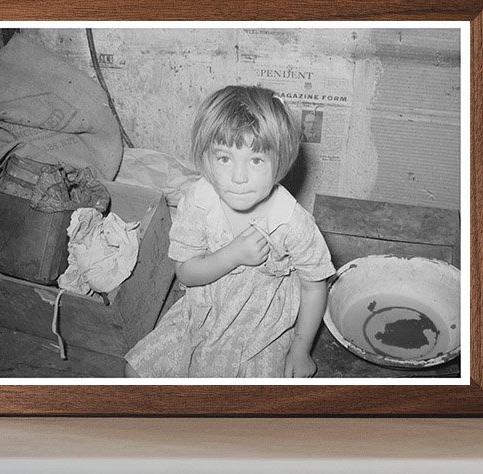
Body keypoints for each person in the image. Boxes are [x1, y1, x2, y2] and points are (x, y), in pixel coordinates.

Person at [125, 85, 335, 379]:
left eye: (256, 160)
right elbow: (185, 273)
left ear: (281, 161)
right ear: (206, 158)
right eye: (224, 158)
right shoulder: (199, 202)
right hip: (201, 315)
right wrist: (232, 255)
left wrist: (301, 350)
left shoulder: (292, 222)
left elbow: (314, 286)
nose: (238, 177)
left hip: (262, 332)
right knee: (134, 372)